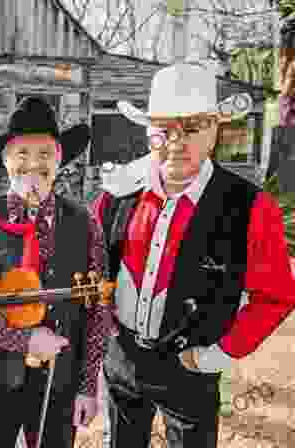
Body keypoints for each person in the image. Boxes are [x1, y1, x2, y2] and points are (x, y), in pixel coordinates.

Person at [92, 62, 295, 448]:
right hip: (121, 360)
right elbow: (89, 265)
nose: (176, 142)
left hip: (190, 367)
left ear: (215, 130)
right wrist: (106, 329)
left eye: (194, 128)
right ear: (148, 132)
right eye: (164, 130)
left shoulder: (251, 206)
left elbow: (276, 296)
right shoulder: (116, 195)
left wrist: (216, 355)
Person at [0, 96, 111, 448]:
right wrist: (25, 341)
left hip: (60, 385)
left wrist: (89, 386)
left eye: (45, 153)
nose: (34, 163)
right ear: (5, 160)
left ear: (60, 159)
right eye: (22, 153)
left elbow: (97, 311)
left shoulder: (85, 223)